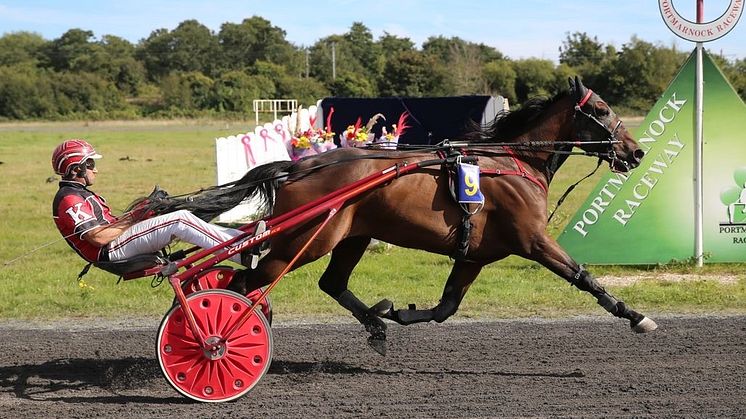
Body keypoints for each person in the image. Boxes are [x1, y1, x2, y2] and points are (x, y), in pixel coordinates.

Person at [51, 139, 255, 268]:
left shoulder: (78, 194)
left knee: (180, 214)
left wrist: (145, 211)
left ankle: (246, 240)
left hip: (116, 244)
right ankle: (241, 251)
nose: (95, 169)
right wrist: (137, 215)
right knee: (180, 220)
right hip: (110, 251)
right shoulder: (70, 200)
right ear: (75, 168)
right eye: (90, 164)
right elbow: (99, 237)